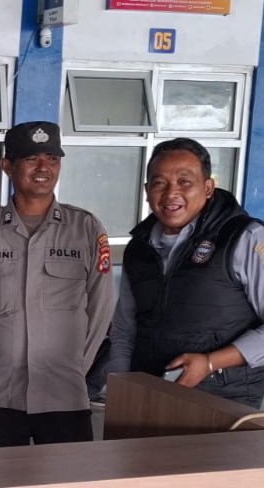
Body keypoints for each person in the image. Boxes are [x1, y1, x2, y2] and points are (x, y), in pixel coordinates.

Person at [0, 121, 114, 448]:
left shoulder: (84, 228)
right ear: (7, 166)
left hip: (64, 391)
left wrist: (75, 366)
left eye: (52, 159)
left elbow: (101, 305)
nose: (43, 168)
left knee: (68, 473)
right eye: (31, 159)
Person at [108, 138, 264, 408]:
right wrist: (121, 387)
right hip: (150, 396)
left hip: (223, 402)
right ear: (146, 190)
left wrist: (211, 362)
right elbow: (125, 329)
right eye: (159, 183)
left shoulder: (244, 238)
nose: (171, 194)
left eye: (184, 182)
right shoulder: (139, 248)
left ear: (208, 188)